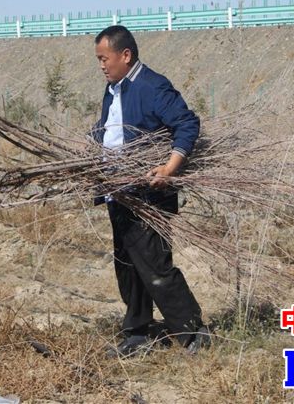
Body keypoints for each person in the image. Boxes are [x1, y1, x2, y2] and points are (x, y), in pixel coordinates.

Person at [89, 25, 210, 357]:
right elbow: (111, 132)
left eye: (104, 58)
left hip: (148, 195)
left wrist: (169, 169)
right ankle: (138, 333)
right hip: (118, 191)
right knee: (127, 264)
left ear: (125, 55)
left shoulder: (152, 86)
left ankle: (193, 332)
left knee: (155, 266)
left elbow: (187, 124)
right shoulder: (113, 89)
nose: (101, 65)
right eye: (98, 59)